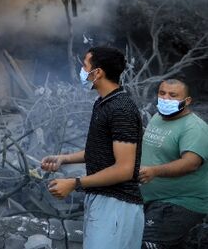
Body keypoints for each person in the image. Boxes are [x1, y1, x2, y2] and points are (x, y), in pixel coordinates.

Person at [40, 46, 144, 249]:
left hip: (117, 205)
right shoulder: (103, 103)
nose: (82, 71)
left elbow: (124, 169)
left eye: (85, 66)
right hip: (101, 200)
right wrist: (64, 158)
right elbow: (99, 152)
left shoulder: (121, 109)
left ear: (97, 72)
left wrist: (74, 183)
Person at [139, 78, 208, 249]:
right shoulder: (157, 117)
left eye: (173, 95)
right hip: (152, 199)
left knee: (147, 245)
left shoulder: (194, 128)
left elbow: (191, 163)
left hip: (178, 203)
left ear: (187, 101)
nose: (166, 99)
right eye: (162, 93)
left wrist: (155, 171)